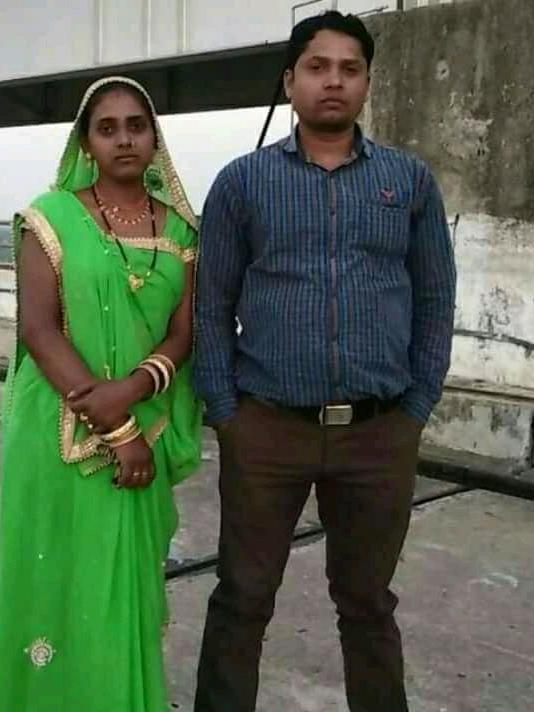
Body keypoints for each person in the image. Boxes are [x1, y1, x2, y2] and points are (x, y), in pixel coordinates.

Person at [193, 11, 456, 712]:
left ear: (366, 82)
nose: (333, 81)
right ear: (290, 81)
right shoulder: (242, 183)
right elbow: (210, 305)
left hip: (379, 434)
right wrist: (227, 415)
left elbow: (435, 299)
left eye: (349, 68)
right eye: (317, 67)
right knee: (243, 596)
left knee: (368, 603)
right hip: (266, 431)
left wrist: (415, 409)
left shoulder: (410, 181)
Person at [0, 76, 202, 712]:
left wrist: (133, 393)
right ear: (86, 143)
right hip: (56, 438)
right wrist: (117, 429)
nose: (124, 139)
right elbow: (38, 329)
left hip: (145, 425)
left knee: (119, 594)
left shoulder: (182, 231)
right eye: (107, 128)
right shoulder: (50, 217)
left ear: (154, 138)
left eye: (136, 126)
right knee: (54, 585)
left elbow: (183, 333)